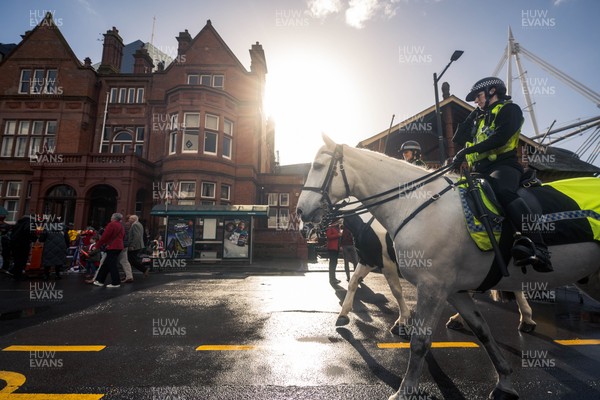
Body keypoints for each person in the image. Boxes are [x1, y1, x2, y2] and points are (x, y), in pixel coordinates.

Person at [452, 77, 552, 272]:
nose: (476, 101)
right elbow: (458, 138)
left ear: (492, 91)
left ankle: (539, 247)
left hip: (503, 167)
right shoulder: (479, 118)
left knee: (502, 191)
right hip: (479, 171)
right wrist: (472, 116)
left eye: (478, 96)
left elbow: (500, 138)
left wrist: (465, 152)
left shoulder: (510, 109)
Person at [93, 213, 125, 288]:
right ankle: (100, 280)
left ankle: (115, 282)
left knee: (111, 264)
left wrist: (97, 245)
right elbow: (123, 236)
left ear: (113, 218)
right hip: (119, 246)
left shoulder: (111, 225)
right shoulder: (121, 226)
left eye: (111, 217)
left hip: (112, 246)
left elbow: (105, 236)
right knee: (107, 264)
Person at [8, 215, 36, 280]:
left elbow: (12, 233)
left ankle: (15, 274)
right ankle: (18, 275)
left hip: (15, 244)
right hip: (23, 244)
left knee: (17, 260)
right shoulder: (30, 222)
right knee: (22, 260)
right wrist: (33, 238)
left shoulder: (18, 223)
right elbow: (30, 232)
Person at [125, 214, 149, 281]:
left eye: (130, 219)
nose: (129, 220)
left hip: (136, 246)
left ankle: (144, 269)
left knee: (131, 260)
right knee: (131, 260)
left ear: (133, 219)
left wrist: (132, 245)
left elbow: (136, 236)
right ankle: (129, 274)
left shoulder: (135, 225)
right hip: (138, 245)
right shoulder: (139, 224)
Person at [117, 215, 134, 282]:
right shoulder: (130, 226)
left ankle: (98, 278)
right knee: (125, 261)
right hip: (126, 245)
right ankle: (129, 276)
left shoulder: (123, 225)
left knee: (109, 261)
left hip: (120, 244)